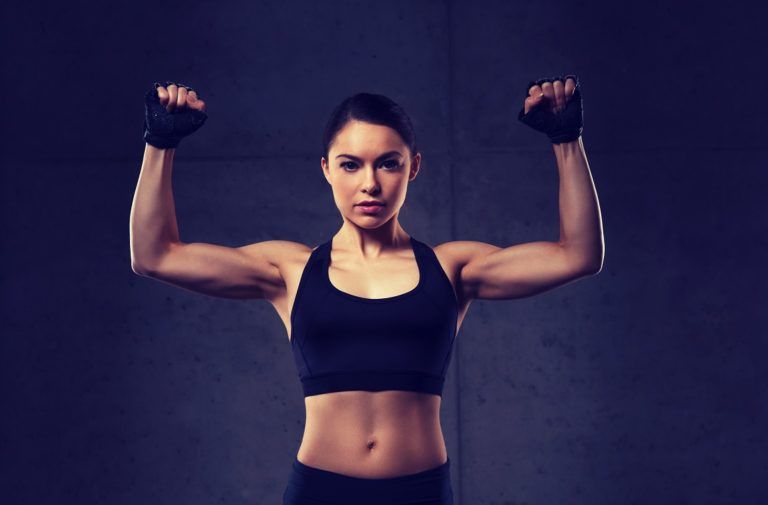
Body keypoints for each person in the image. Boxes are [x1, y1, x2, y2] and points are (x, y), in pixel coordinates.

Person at [130, 76, 604, 505]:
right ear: (326, 169)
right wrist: (160, 142)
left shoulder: (451, 267)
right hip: (319, 492)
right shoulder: (290, 269)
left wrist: (566, 140)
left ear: (413, 168)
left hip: (419, 493)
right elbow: (155, 256)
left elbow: (577, 255)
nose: (370, 184)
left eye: (388, 164)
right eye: (351, 165)